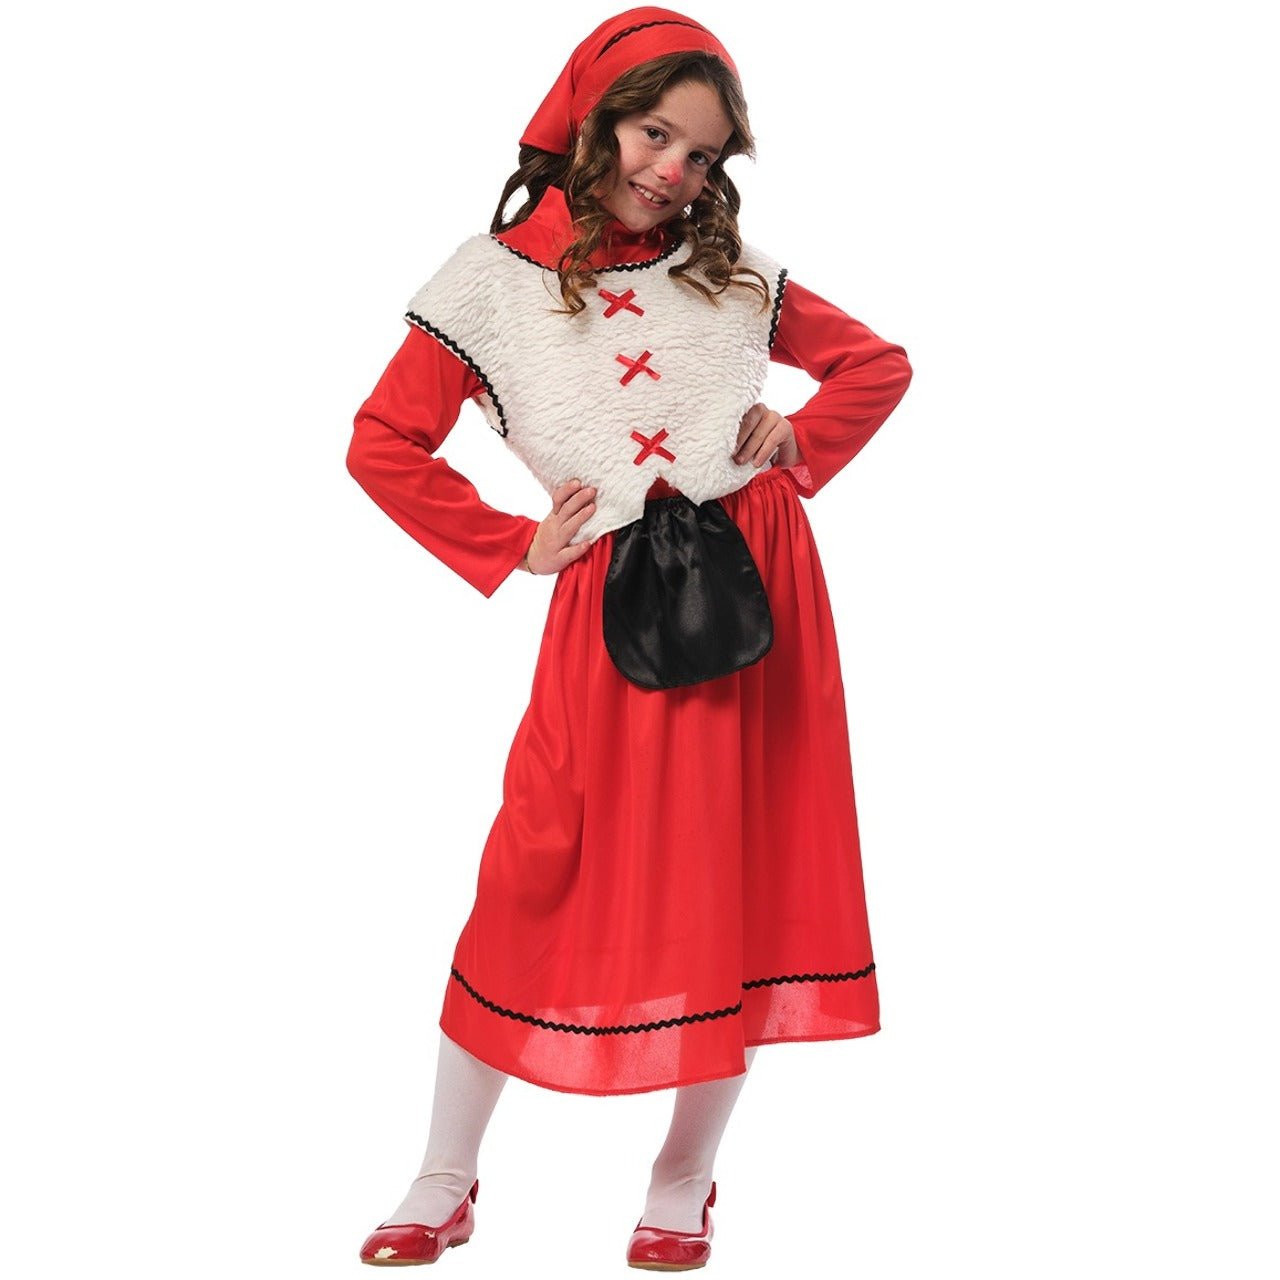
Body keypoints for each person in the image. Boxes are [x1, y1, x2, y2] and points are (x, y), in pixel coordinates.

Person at [346, 6, 913, 1269]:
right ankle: (445, 1171)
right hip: (609, 598)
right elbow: (381, 443)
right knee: (535, 865)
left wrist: (798, 435)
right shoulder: (486, 283)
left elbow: (874, 364)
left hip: (756, 583)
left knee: (733, 869)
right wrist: (511, 543)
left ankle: (683, 1176)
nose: (673, 169)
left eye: (701, 154)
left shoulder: (730, 267)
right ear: (595, 119)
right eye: (655, 133)